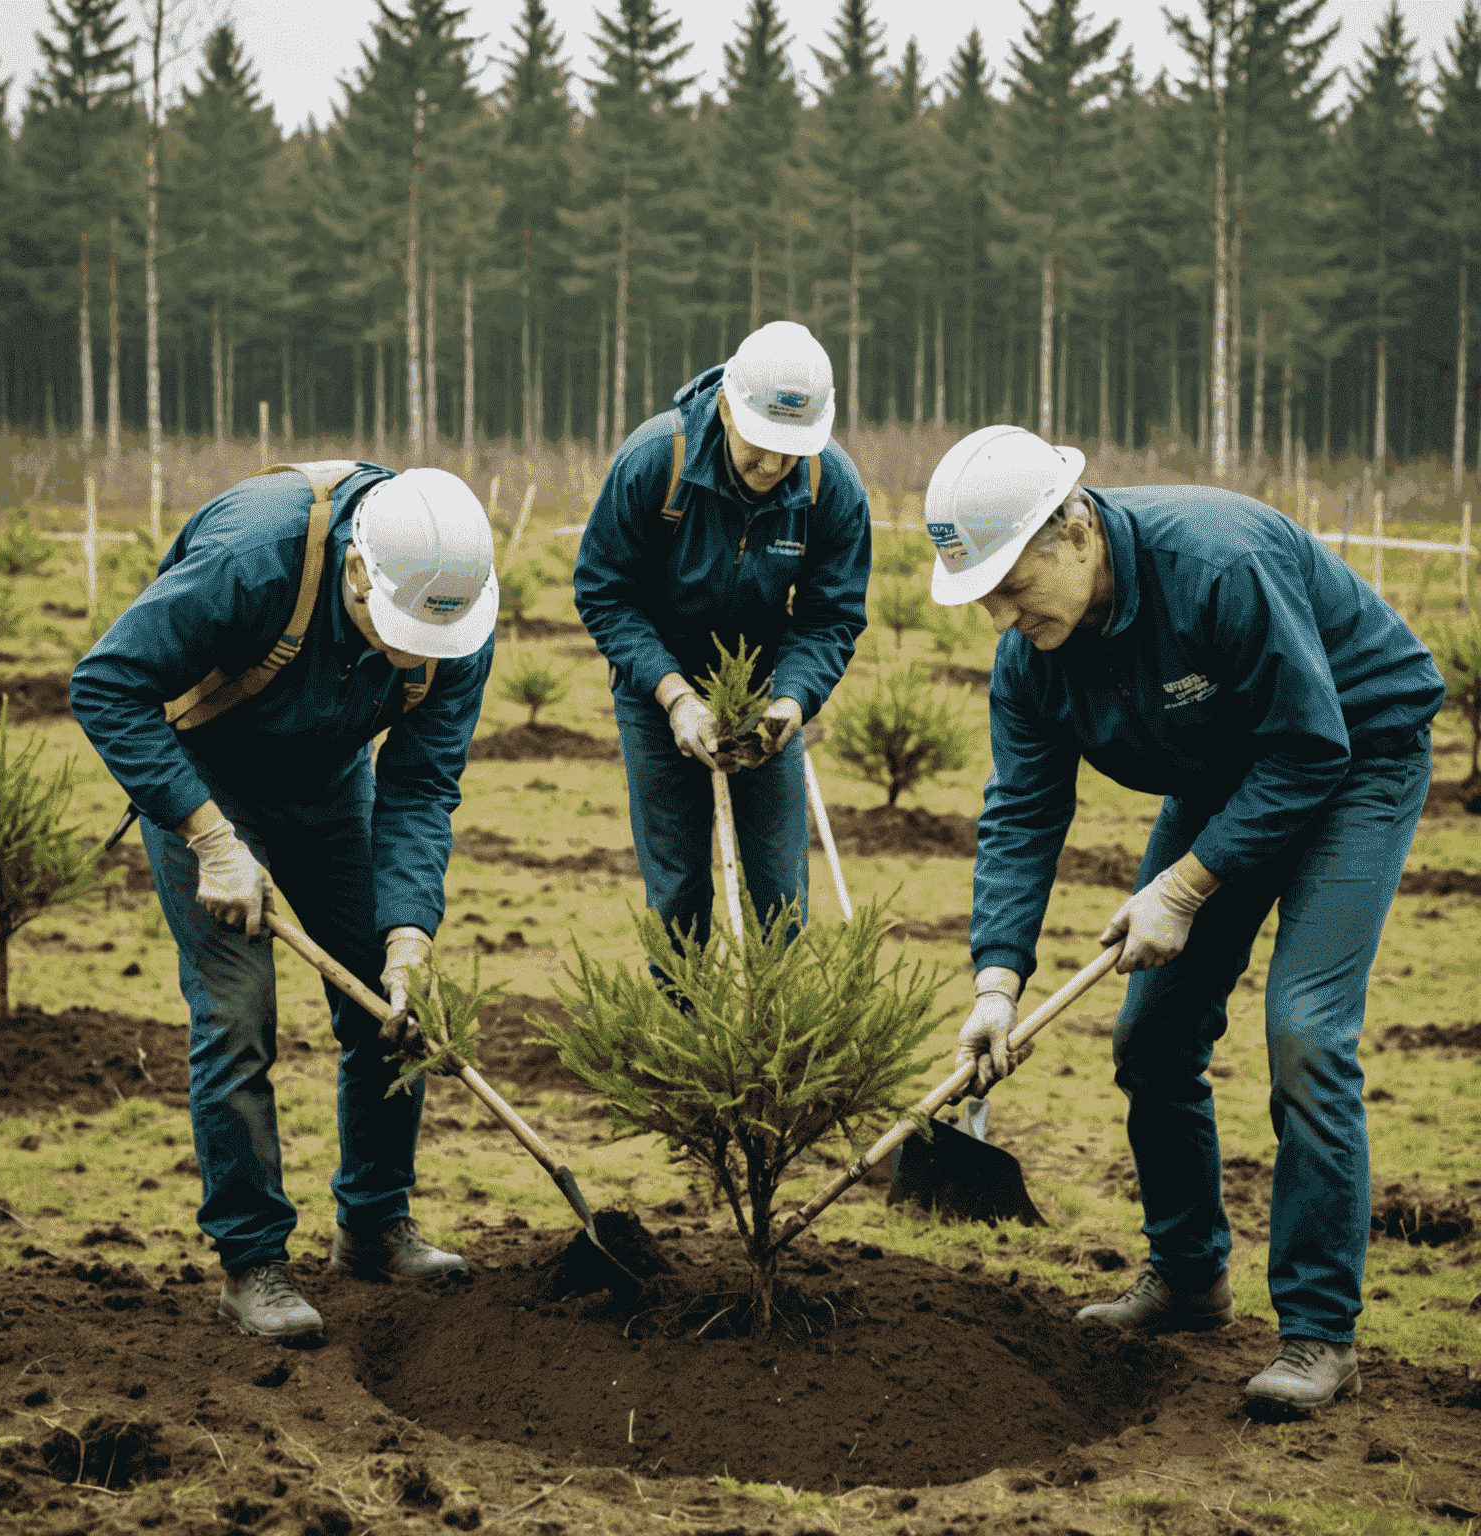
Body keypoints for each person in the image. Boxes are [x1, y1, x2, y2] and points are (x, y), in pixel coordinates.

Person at [927, 425, 1443, 1414]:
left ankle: (1319, 1336)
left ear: (1073, 533)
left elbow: (1309, 746)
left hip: (1355, 753)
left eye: (1008, 583)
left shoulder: (1214, 563)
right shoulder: (1031, 659)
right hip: (1229, 775)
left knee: (1304, 1032)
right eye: (978, 593)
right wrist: (997, 981)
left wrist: (1183, 887)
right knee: (1152, 1032)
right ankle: (1190, 1274)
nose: (998, 613)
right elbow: (1023, 814)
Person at [71, 461, 498, 1340]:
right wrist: (214, 841)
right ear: (356, 573)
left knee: (387, 1005)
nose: (412, 658)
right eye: (398, 631)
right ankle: (253, 1262)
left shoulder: (457, 619)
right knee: (237, 1013)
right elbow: (106, 684)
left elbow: (420, 787)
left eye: (429, 640)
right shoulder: (254, 558)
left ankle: (375, 1224)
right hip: (205, 783)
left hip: (332, 786)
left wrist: (409, 931)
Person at [574, 321, 871, 952]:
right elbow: (604, 592)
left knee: (780, 886)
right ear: (729, 410)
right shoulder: (657, 460)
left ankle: (780, 1035)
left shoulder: (830, 485)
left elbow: (832, 613)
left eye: (791, 448)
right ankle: (684, 1031)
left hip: (767, 692)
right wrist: (675, 695)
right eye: (761, 444)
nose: (774, 464)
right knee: (679, 885)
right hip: (658, 686)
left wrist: (791, 699)